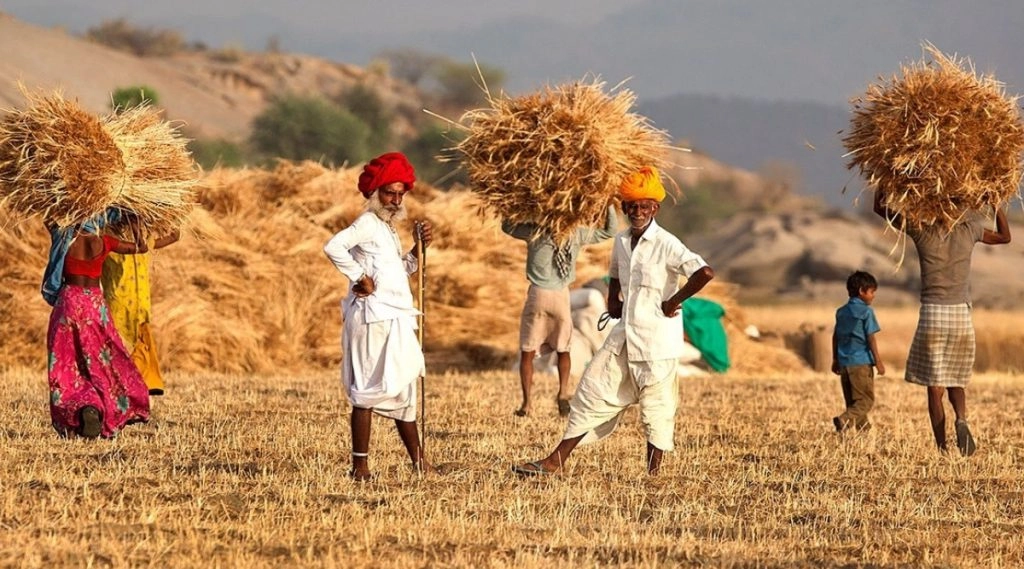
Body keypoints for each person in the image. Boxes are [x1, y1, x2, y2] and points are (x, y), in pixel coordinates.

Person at [513, 167, 714, 476]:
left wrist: (674, 301)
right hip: (624, 335)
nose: (637, 211)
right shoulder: (621, 240)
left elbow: (704, 273)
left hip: (657, 343)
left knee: (655, 411)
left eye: (643, 206)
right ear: (624, 207)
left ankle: (653, 476)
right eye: (631, 206)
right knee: (591, 391)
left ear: (654, 208)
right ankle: (554, 462)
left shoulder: (667, 243)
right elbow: (616, 273)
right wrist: (612, 301)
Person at [323, 152, 435, 480]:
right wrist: (359, 276)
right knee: (366, 393)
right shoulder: (367, 223)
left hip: (396, 317)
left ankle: (419, 463)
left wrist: (417, 249)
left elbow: (399, 271)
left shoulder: (386, 228)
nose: (396, 200)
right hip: (371, 319)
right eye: (390, 193)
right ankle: (359, 467)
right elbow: (333, 247)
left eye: (401, 194)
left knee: (404, 391)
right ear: (375, 193)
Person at [874, 192, 1010, 456]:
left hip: (932, 314)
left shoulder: (921, 230)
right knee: (956, 378)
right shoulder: (969, 230)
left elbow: (880, 208)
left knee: (934, 386)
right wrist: (996, 204)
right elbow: (1005, 237)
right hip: (960, 312)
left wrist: (886, 181)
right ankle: (961, 418)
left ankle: (942, 448)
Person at [43, 210, 151, 439]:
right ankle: (103, 406)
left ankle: (86, 408)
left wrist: (65, 206)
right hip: (93, 305)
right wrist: (137, 224)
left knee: (67, 363)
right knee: (102, 360)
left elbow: (49, 218)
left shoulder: (64, 237)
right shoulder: (104, 242)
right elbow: (141, 247)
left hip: (68, 303)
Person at [502, 205, 618, 417]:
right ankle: (563, 392)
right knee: (563, 348)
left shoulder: (534, 230)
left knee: (527, 351)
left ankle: (527, 404)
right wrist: (609, 204)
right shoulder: (577, 233)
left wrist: (513, 204)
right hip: (562, 296)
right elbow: (609, 231)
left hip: (537, 295)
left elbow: (507, 226)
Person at [101, 219, 180, 396]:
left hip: (140, 307)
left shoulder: (143, 238)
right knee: (120, 348)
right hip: (118, 307)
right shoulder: (107, 239)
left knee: (139, 346)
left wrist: (174, 214)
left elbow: (174, 236)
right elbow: (142, 244)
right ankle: (119, 388)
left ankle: (139, 388)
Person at [830, 270, 884, 432]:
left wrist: (835, 359)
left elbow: (835, 336)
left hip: (845, 363)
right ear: (862, 291)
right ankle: (843, 420)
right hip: (861, 363)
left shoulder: (841, 312)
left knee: (854, 403)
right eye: (872, 292)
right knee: (866, 401)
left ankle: (864, 433)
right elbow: (871, 338)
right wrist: (878, 362)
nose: (873, 296)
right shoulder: (867, 312)